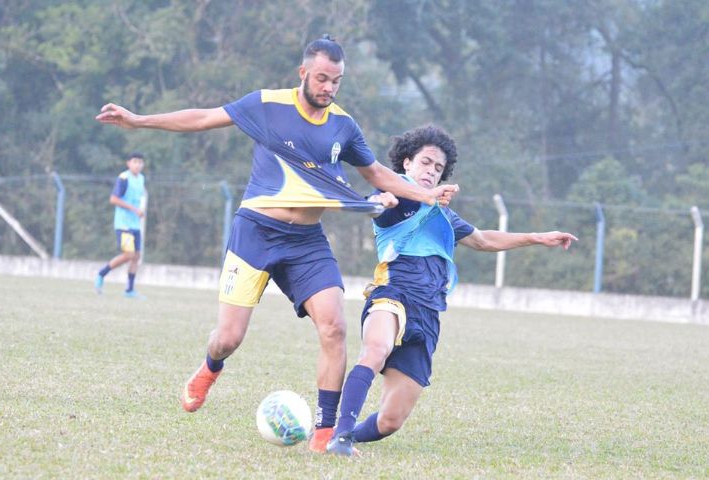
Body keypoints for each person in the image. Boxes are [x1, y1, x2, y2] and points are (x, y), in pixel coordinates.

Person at [95, 36, 459, 453]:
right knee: (228, 338)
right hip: (254, 234)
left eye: (336, 81)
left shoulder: (343, 125)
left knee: (335, 326)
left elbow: (376, 173)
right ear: (303, 73)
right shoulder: (267, 105)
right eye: (322, 78)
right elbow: (202, 118)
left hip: (306, 242)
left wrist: (427, 195)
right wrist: (139, 120)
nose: (328, 88)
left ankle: (325, 433)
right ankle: (210, 368)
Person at [325, 125, 578, 456]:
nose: (431, 171)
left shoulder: (441, 214)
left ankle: (348, 437)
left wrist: (536, 237)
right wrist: (380, 199)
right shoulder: (397, 197)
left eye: (438, 168)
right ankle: (339, 436)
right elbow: (375, 203)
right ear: (406, 164)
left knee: (390, 421)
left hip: (428, 313)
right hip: (394, 293)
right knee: (376, 350)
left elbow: (483, 239)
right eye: (426, 162)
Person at [94, 152, 147, 299]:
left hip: (135, 224)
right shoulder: (124, 178)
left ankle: (129, 290)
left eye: (140, 162)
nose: (138, 165)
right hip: (123, 224)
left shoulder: (141, 179)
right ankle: (101, 274)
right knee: (128, 254)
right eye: (135, 162)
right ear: (128, 163)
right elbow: (114, 199)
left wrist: (140, 211)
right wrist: (134, 209)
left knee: (136, 256)